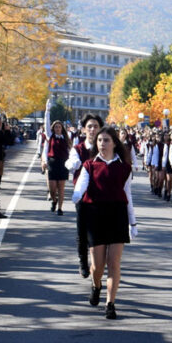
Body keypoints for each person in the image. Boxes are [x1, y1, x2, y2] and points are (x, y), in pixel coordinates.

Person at [73, 126, 138, 320]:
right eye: (99, 140)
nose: (102, 143)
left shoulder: (124, 168)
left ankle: (110, 303)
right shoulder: (89, 165)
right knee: (98, 265)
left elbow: (128, 195)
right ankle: (96, 285)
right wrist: (76, 196)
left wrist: (133, 223)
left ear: (114, 143)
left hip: (117, 215)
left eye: (106, 140)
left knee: (114, 263)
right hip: (95, 216)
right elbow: (80, 187)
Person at [65, 114, 103, 278]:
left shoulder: (105, 148)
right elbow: (71, 162)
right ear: (83, 129)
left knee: (99, 231)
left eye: (95, 126)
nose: (93, 129)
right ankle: (83, 262)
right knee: (82, 231)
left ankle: (99, 261)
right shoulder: (78, 149)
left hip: (102, 196)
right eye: (89, 126)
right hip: (82, 196)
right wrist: (72, 164)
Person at [41, 120, 71, 216]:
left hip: (63, 164)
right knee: (52, 189)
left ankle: (60, 208)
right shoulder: (50, 138)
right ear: (53, 128)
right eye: (56, 127)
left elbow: (70, 151)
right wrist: (44, 161)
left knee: (61, 188)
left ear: (62, 128)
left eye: (59, 127)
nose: (58, 129)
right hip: (52, 163)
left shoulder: (66, 139)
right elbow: (45, 150)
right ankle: (54, 200)